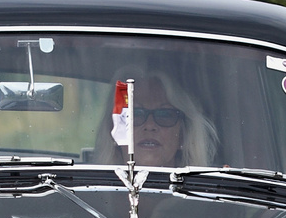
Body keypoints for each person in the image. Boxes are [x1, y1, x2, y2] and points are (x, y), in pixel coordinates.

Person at [91, 71, 219, 169]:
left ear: (183, 134)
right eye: (134, 114)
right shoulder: (89, 197)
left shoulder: (202, 202)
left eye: (165, 115)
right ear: (113, 128)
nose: (150, 125)